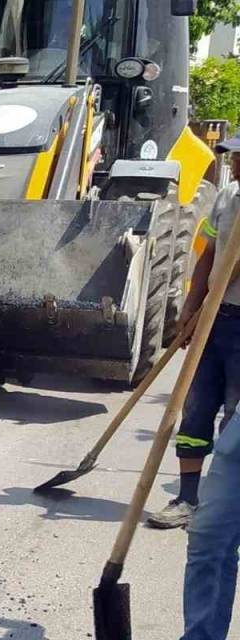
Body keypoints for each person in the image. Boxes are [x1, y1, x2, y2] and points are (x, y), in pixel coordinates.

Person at [150, 143, 240, 530]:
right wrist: (191, 306)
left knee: (234, 422)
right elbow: (209, 254)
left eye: (239, 156)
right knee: (196, 409)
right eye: (233, 156)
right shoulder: (228, 195)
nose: (233, 162)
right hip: (215, 320)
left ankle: (223, 508)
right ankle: (187, 498)